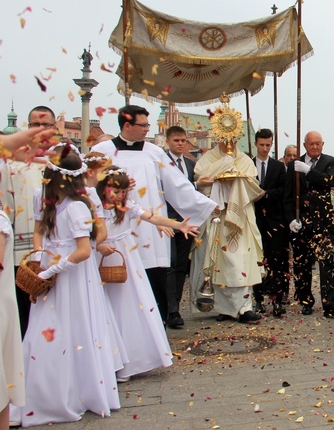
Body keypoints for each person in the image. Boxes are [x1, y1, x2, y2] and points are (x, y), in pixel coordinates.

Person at [16, 148, 120, 426]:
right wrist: (39, 257)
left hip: (72, 272)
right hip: (50, 264)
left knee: (70, 327)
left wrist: (53, 268)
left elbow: (84, 250)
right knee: (42, 327)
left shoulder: (76, 207)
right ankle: (38, 393)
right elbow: (40, 230)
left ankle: (73, 392)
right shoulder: (46, 200)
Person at [91, 105, 217, 323]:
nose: (147, 129)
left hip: (152, 227)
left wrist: (205, 204)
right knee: (116, 281)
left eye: (148, 125)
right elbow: (89, 186)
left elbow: (177, 185)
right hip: (113, 230)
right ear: (127, 125)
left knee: (154, 282)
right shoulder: (102, 151)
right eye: (143, 125)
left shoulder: (154, 152)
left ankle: (155, 328)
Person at [96, 166, 198, 381]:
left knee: (127, 305)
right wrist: (97, 246)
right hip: (101, 254)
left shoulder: (127, 206)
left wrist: (178, 225)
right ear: (104, 188)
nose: (119, 196)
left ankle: (130, 360)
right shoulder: (95, 206)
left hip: (124, 254)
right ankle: (107, 360)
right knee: (103, 306)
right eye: (115, 191)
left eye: (123, 192)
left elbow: (152, 217)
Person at [192, 132, 264, 324]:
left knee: (241, 262)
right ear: (218, 138)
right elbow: (201, 182)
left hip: (240, 217)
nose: (229, 143)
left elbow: (254, 186)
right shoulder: (208, 159)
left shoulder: (244, 160)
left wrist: (238, 180)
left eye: (232, 139)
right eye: (225, 139)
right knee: (218, 262)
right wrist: (215, 176)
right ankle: (223, 308)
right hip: (217, 216)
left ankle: (244, 308)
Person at [0, 107, 55, 339]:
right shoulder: (12, 165)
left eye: (45, 125)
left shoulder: (66, 162)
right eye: (34, 124)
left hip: (59, 252)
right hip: (22, 254)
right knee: (26, 313)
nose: (39, 130)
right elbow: (5, 209)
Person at [285, 131, 334, 318]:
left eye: (318, 144)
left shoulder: (330, 161)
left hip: (323, 224)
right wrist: (290, 220)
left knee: (327, 264)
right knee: (302, 265)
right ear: (304, 145)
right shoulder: (294, 165)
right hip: (302, 222)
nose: (314, 147)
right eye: (311, 144)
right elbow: (287, 196)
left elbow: (330, 181)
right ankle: (305, 301)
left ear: (323, 144)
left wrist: (309, 171)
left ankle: (331, 304)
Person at [163, 126, 197, 329]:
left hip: (187, 221)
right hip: (168, 221)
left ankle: (174, 306)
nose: (180, 143)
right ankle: (170, 309)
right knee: (170, 263)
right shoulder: (160, 164)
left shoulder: (191, 165)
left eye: (183, 140)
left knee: (181, 265)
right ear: (168, 141)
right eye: (176, 140)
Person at [252, 129, 288, 317]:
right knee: (257, 261)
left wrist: (266, 193)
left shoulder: (277, 166)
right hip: (254, 220)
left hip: (274, 220)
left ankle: (277, 300)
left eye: (268, 145)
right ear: (256, 143)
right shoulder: (248, 165)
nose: (265, 148)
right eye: (262, 145)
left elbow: (283, 190)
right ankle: (258, 299)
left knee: (276, 261)